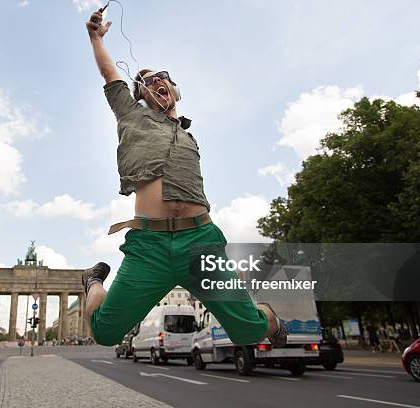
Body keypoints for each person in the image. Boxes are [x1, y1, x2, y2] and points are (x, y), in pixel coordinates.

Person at [81, 8, 287, 349]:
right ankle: (92, 282)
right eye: (144, 82)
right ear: (139, 97)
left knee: (250, 332)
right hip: (150, 246)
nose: (153, 82)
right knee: (104, 333)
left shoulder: (188, 135)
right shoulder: (132, 116)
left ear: (174, 90)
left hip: (200, 241)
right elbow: (111, 76)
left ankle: (271, 318)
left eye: (159, 77)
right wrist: (96, 39)